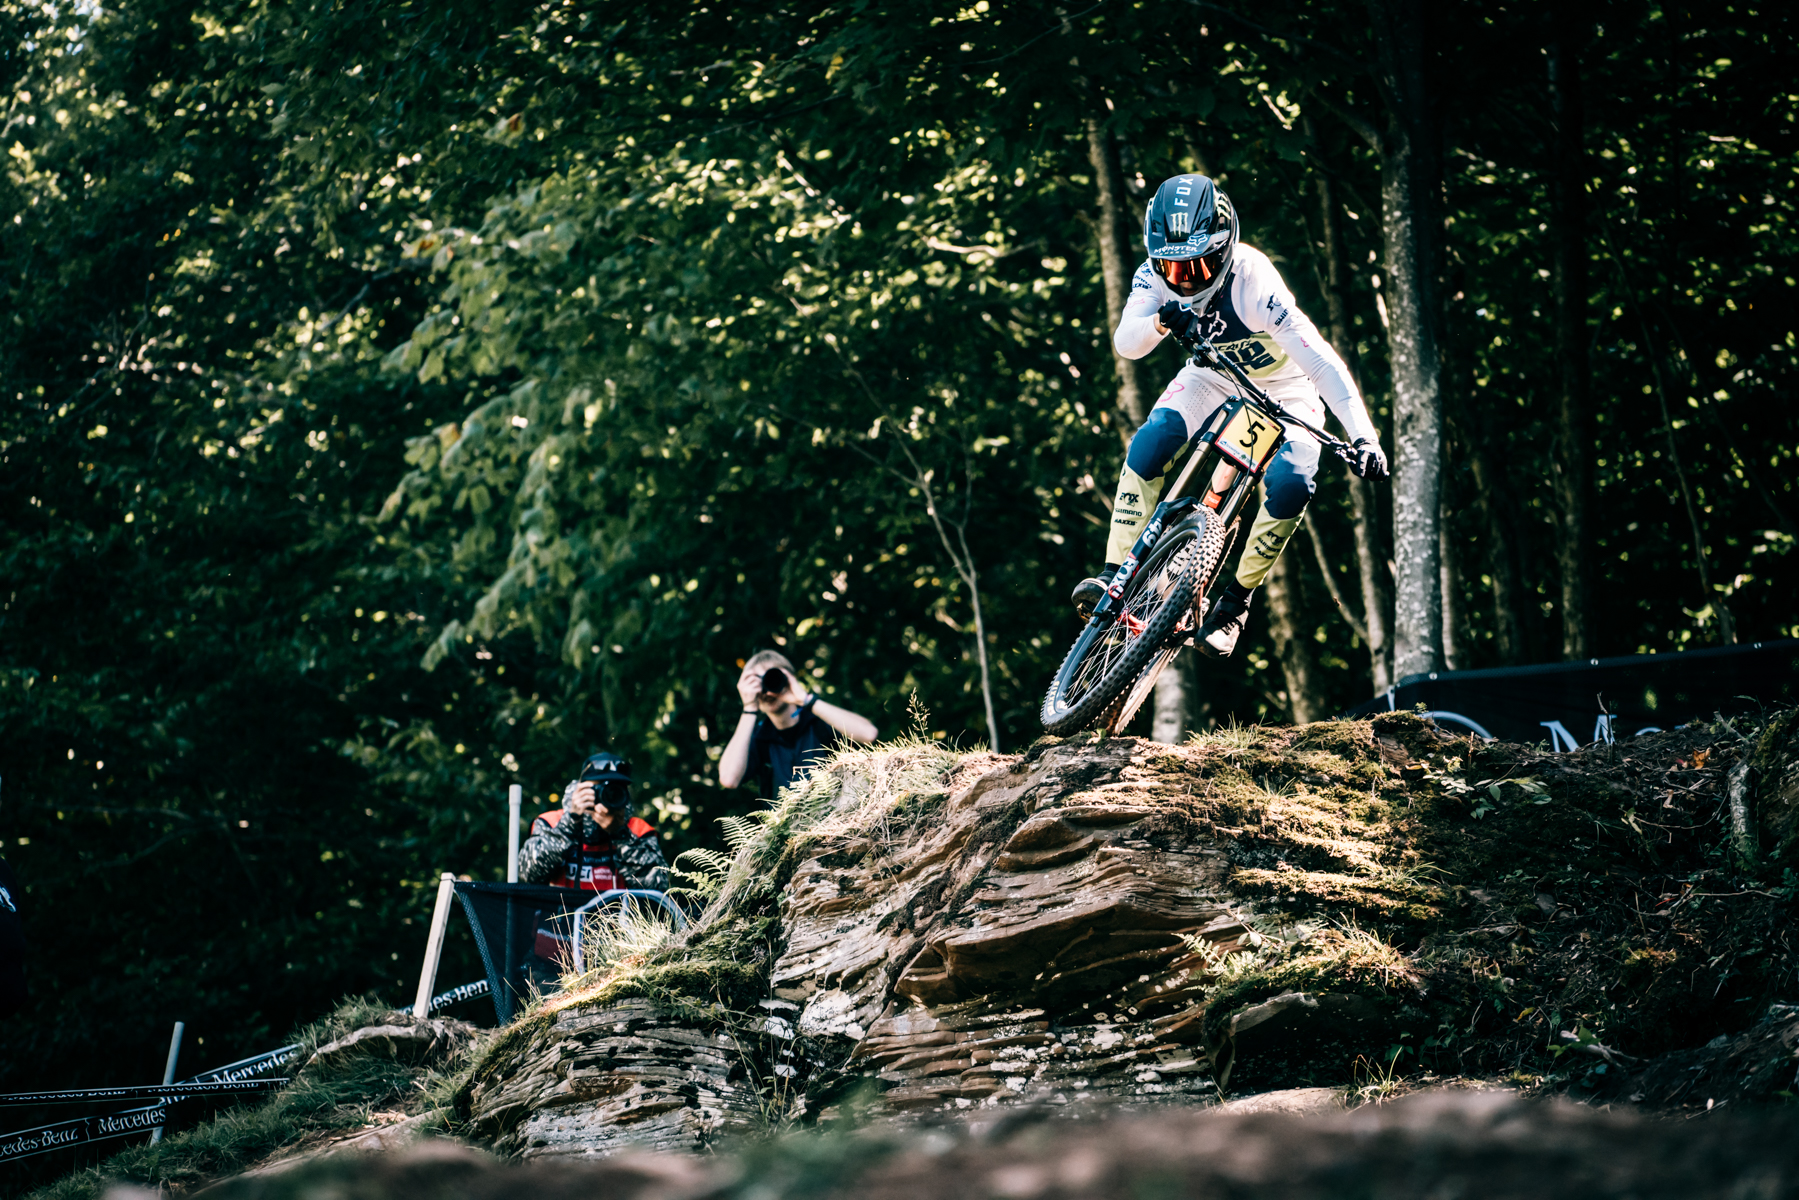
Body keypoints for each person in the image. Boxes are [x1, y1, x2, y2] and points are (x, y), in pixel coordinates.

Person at [1071, 173, 1389, 657]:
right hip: (1214, 377)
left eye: (1196, 267)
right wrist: (1159, 319)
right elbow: (1126, 343)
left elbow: (1321, 362)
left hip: (1287, 392)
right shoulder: (1153, 276)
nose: (1183, 281)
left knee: (1292, 484)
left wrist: (1364, 437)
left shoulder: (1254, 281)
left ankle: (1235, 604)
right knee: (1151, 442)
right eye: (1171, 270)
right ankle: (1115, 574)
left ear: (1223, 249)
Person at [718, 650, 879, 798]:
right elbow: (728, 779)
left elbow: (869, 733)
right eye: (758, 683)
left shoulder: (820, 721)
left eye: (771, 679)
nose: (767, 690)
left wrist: (805, 699)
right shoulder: (759, 738)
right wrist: (749, 708)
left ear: (789, 678)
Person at [516, 752, 670, 892]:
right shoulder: (551, 823)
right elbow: (528, 875)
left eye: (614, 791)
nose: (606, 796)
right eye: (598, 789)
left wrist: (621, 835)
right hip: (560, 920)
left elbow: (657, 889)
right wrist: (569, 824)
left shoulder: (638, 830)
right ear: (579, 788)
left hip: (620, 922)